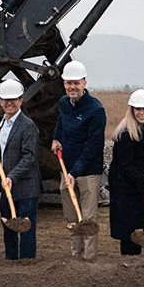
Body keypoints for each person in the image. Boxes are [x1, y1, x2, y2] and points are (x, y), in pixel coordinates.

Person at [51, 60, 106, 261]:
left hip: (88, 172)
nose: (72, 87)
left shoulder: (96, 109)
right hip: (66, 170)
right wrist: (57, 138)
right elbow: (61, 122)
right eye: (68, 83)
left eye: (76, 82)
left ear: (84, 83)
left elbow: (93, 147)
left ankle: (89, 259)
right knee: (71, 217)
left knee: (88, 218)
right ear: (64, 83)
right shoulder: (64, 103)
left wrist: (75, 172)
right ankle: (76, 256)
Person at [0, 79, 41, 260]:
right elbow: (7, 138)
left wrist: (12, 177)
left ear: (20, 100)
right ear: (0, 101)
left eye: (13, 99)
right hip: (7, 185)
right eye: (5, 99)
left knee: (26, 227)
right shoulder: (5, 122)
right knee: (8, 225)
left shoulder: (28, 125)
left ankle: (26, 263)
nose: (9, 103)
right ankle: (10, 262)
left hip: (25, 187)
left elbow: (29, 157)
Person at [108, 89, 144, 256]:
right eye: (138, 109)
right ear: (132, 110)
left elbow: (140, 156)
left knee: (137, 226)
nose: (142, 113)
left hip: (135, 186)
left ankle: (135, 258)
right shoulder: (127, 134)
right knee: (129, 229)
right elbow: (125, 165)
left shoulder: (141, 130)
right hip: (125, 188)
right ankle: (129, 261)